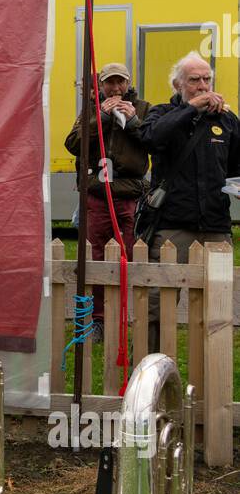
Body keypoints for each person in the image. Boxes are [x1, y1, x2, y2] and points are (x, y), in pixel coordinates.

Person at [139, 51, 240, 351]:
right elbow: (151, 138)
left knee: (217, 303)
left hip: (215, 226)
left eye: (207, 79)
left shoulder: (228, 120)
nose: (203, 86)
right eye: (194, 80)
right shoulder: (161, 114)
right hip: (172, 226)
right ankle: (147, 373)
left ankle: (211, 371)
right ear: (178, 85)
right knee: (157, 304)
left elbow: (236, 168)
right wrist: (190, 110)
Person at [64, 63, 150, 339]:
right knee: (97, 257)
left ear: (128, 84)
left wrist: (135, 122)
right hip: (97, 195)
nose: (115, 89)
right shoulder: (91, 110)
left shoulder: (145, 108)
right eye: (109, 83)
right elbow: (73, 144)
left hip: (129, 195)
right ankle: (99, 319)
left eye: (120, 83)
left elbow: (154, 142)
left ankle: (123, 316)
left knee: (127, 256)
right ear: (100, 86)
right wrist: (99, 117)